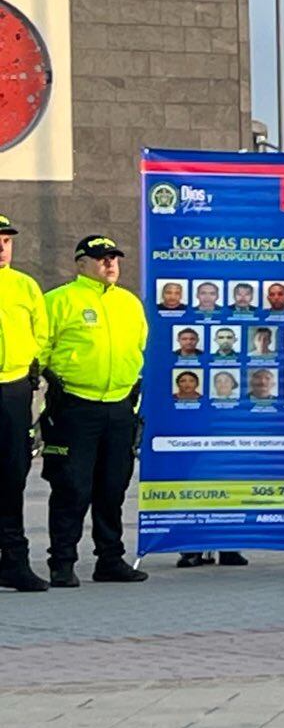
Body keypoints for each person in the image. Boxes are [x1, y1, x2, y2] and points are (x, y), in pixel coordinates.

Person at [41, 236, 149, 587]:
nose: (110, 264)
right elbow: (41, 347)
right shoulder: (59, 301)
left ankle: (110, 559)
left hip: (119, 407)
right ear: (81, 263)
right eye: (101, 258)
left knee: (113, 486)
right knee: (71, 486)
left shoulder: (129, 303)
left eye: (114, 258)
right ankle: (62, 562)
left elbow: (139, 346)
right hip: (75, 406)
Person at [0, 216, 49, 592]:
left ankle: (14, 562)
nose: (3, 247)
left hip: (14, 390)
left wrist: (33, 364)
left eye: (7, 241)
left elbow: (41, 333)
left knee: (13, 476)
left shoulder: (25, 286)